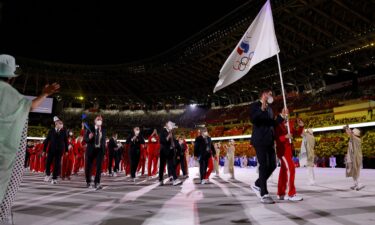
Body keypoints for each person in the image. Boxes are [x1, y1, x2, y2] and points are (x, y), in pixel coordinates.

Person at [0, 54, 60, 224]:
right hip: (6, 156)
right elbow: (31, 106)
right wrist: (44, 94)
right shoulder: (14, 96)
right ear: (11, 77)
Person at [250, 89, 283, 204]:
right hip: (259, 140)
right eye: (269, 94)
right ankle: (264, 194)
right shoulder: (255, 105)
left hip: (269, 140)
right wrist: (261, 109)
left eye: (271, 94)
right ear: (263, 95)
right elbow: (254, 120)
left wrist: (281, 117)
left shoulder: (269, 108)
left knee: (273, 165)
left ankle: (258, 183)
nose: (271, 96)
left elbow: (271, 123)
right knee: (263, 165)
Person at [275, 115, 304, 202]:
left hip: (289, 151)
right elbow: (275, 137)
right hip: (283, 151)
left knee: (283, 172)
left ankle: (281, 193)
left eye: (287, 112)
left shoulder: (289, 123)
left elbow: (295, 134)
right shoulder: (277, 124)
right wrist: (285, 137)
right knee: (291, 169)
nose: (286, 114)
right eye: (284, 112)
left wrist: (301, 126)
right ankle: (291, 193)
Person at [43, 116, 69, 184]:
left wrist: (66, 150)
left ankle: (54, 178)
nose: (61, 125)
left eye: (61, 123)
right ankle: (47, 174)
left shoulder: (64, 131)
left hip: (59, 150)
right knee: (48, 163)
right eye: (59, 123)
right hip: (51, 149)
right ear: (56, 124)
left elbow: (66, 141)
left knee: (57, 164)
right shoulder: (51, 131)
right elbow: (47, 141)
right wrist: (44, 150)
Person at [84, 115, 106, 190]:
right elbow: (85, 139)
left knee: (99, 167)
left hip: (100, 150)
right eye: (98, 119)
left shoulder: (103, 129)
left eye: (101, 119)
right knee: (88, 166)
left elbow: (103, 141)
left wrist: (104, 152)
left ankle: (97, 182)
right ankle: (88, 181)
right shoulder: (89, 128)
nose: (99, 120)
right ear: (95, 121)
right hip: (91, 150)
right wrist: (89, 137)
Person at [158, 121, 182, 186]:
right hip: (163, 152)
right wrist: (168, 136)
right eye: (170, 125)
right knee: (162, 166)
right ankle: (160, 179)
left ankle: (175, 179)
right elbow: (162, 141)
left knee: (171, 165)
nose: (172, 126)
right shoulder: (163, 131)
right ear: (166, 125)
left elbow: (174, 141)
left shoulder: (171, 132)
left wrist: (178, 147)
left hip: (170, 152)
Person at [344, 126, 364, 191]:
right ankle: (355, 184)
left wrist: (347, 128)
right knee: (352, 171)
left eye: (353, 132)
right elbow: (350, 135)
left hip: (356, 157)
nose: (351, 133)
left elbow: (350, 135)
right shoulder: (352, 139)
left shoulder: (357, 139)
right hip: (351, 157)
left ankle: (359, 184)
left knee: (356, 171)